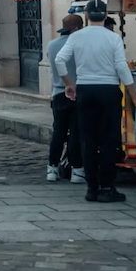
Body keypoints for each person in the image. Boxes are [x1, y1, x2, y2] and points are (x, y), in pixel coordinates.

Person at [55, 0, 136, 204]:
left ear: (86, 15)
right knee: (108, 140)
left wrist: (69, 83)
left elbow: (60, 60)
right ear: (105, 16)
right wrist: (134, 94)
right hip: (108, 90)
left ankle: (92, 188)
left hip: (85, 90)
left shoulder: (76, 37)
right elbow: (121, 67)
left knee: (88, 140)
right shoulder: (113, 38)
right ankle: (107, 186)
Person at [45, 14, 85, 185]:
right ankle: (77, 170)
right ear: (77, 27)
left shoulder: (52, 45)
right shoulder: (80, 45)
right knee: (76, 133)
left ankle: (52, 168)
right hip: (77, 92)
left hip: (58, 93)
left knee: (59, 133)